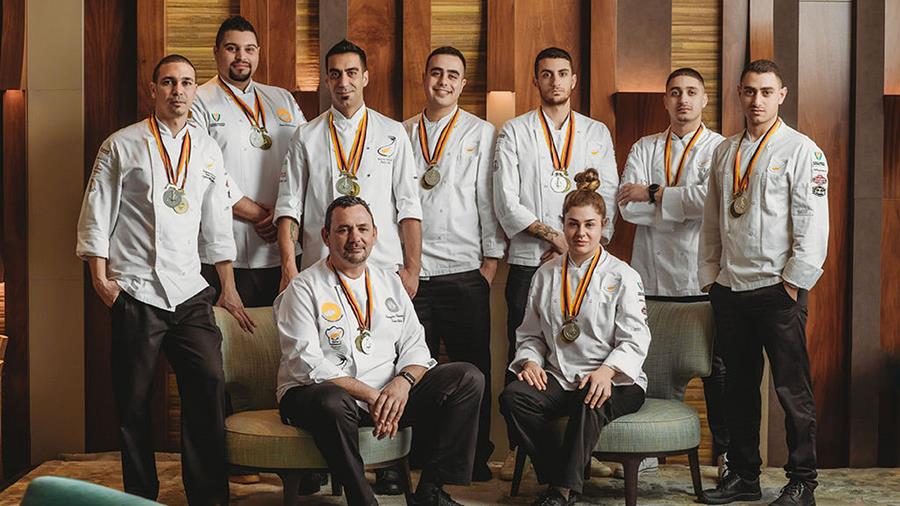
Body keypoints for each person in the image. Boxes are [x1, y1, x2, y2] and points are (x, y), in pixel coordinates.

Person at [76, 54, 252, 505]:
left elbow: (218, 222)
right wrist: (102, 283)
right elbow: (96, 213)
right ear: (153, 89)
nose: (178, 90)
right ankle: (141, 496)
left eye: (187, 83)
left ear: (194, 90)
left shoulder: (207, 148)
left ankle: (208, 497)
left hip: (190, 291)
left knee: (208, 386)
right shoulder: (121, 145)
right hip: (135, 289)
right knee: (133, 403)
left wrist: (228, 286)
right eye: (169, 82)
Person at [275, 196, 484, 506]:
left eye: (362, 229)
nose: (355, 238)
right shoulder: (304, 288)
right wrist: (372, 396)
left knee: (467, 378)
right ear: (326, 236)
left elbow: (416, 346)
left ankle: (431, 492)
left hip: (385, 395)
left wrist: (402, 384)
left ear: (374, 234)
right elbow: (306, 364)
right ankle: (363, 500)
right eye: (344, 229)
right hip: (318, 396)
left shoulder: (390, 282)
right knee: (332, 401)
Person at [699, 59, 829, 506]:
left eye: (766, 92)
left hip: (777, 289)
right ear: (739, 93)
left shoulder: (802, 150)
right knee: (737, 388)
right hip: (731, 288)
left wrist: (792, 284)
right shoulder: (724, 152)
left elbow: (813, 223)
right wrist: (711, 278)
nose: (757, 100)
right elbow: (712, 220)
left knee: (792, 391)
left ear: (782, 95)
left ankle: (802, 483)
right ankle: (744, 477)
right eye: (750, 91)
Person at [492, 45, 618, 477]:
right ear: (536, 80)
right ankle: (520, 451)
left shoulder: (596, 132)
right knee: (524, 353)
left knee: (586, 352)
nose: (555, 81)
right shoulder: (514, 131)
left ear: (573, 79)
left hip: (585, 264)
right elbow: (506, 201)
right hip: (531, 259)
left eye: (562, 73)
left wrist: (578, 246)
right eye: (546, 74)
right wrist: (553, 237)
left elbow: (609, 197)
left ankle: (584, 452)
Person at [499, 169, 650, 506]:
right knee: (513, 398)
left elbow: (636, 339)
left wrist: (606, 372)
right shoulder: (545, 274)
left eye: (589, 225)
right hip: (560, 375)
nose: (580, 233)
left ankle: (562, 492)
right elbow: (531, 334)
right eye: (573, 224)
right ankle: (559, 473)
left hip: (616, 380)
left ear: (603, 226)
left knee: (590, 397)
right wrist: (531, 362)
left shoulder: (623, 275)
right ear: (563, 225)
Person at [617, 67, 727, 477]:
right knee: (647, 367)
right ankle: (645, 450)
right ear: (665, 100)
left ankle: (727, 455)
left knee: (716, 373)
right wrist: (683, 205)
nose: (683, 99)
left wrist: (654, 193)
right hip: (652, 280)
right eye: (675, 92)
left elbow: (712, 203)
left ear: (704, 99)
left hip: (700, 281)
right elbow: (627, 208)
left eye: (691, 92)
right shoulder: (644, 146)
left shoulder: (719, 148)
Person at [402, 46, 505, 482]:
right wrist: (401, 268)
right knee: (412, 370)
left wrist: (490, 262)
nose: (443, 81)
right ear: (424, 77)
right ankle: (415, 455)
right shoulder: (401, 132)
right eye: (436, 73)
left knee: (474, 368)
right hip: (412, 274)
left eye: (452, 75)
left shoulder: (482, 132)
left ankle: (474, 458)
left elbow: (489, 199)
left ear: (463, 84)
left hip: (465, 270)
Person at [275, 39, 422, 298]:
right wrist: (288, 268)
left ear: (365, 77)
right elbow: (289, 206)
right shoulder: (306, 135)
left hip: (382, 266)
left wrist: (413, 270)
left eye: (351, 72)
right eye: (335, 74)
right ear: (327, 80)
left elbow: (409, 205)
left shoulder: (393, 132)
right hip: (320, 267)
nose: (343, 82)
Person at [192, 15, 306, 308]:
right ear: (216, 52)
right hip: (225, 251)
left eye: (249, 49)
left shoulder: (282, 99)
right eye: (232, 48)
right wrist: (257, 214)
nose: (241, 56)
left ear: (258, 53)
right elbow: (203, 170)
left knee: (282, 331)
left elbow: (305, 158)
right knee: (230, 332)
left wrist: (282, 214)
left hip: (283, 246)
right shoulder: (197, 100)